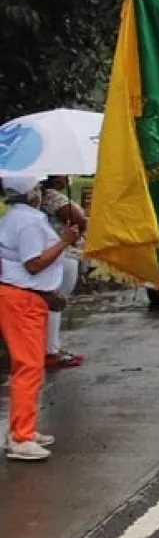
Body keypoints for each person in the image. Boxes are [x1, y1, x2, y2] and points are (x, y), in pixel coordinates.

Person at [0, 175, 78, 461]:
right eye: (37, 187)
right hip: (22, 299)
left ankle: (23, 429)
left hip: (23, 298)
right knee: (28, 368)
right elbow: (33, 263)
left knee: (28, 366)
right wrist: (65, 242)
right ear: (31, 193)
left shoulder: (18, 217)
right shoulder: (28, 221)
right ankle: (21, 437)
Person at [38, 176, 85, 369]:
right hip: (63, 254)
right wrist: (79, 232)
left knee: (53, 303)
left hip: (55, 254)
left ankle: (51, 347)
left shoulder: (41, 196)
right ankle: (51, 350)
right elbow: (78, 219)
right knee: (56, 303)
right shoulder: (52, 197)